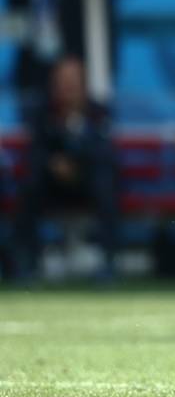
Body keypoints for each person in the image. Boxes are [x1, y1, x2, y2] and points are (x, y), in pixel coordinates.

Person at [12, 57, 120, 282]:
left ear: (83, 83)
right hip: (52, 184)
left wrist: (77, 159)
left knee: (106, 184)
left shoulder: (98, 112)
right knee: (30, 186)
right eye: (62, 80)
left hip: (86, 182)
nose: (67, 87)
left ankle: (107, 262)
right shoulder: (42, 111)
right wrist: (53, 162)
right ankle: (27, 261)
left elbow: (105, 152)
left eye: (73, 80)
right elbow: (36, 150)